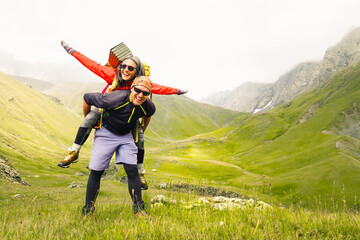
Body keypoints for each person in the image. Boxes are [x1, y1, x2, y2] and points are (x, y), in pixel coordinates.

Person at [57, 41, 188, 190]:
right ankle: (74, 152)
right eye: (123, 67)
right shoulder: (113, 75)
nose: (125, 70)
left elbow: (159, 88)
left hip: (129, 117)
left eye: (130, 68)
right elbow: (91, 64)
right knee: (89, 119)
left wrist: (177, 91)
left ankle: (139, 173)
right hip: (108, 111)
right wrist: (71, 50)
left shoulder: (139, 84)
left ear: (136, 71)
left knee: (140, 138)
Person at [82, 76, 155, 217]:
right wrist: (89, 120)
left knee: (132, 170)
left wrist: (142, 130)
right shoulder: (112, 99)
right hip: (106, 133)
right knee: (96, 172)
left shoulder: (148, 106)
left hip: (126, 136)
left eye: (145, 93)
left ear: (148, 95)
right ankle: (88, 210)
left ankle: (139, 210)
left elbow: (148, 115)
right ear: (132, 88)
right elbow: (86, 98)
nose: (140, 95)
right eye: (138, 91)